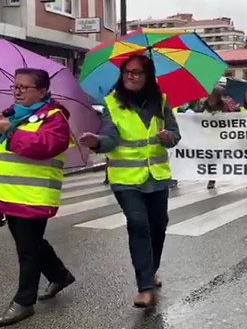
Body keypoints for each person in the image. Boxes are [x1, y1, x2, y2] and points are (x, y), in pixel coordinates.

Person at [79, 55, 181, 308]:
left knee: (159, 225)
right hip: (126, 179)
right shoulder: (113, 103)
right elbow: (110, 138)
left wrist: (167, 137)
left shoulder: (161, 100)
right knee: (138, 225)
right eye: (127, 72)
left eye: (137, 72)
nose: (131, 77)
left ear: (148, 76)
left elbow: (175, 134)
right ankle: (144, 286)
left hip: (156, 176)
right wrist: (97, 142)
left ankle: (151, 270)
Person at [0, 68, 75, 326]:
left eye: (25, 87)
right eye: (15, 86)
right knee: (31, 243)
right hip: (10, 193)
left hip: (33, 195)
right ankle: (60, 274)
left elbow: (44, 146)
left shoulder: (54, 118)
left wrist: (9, 130)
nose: (18, 91)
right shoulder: (15, 114)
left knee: (27, 249)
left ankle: (24, 302)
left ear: (43, 91)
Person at [200, 87, 234, 189]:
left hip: (220, 138)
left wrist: (219, 116)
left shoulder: (223, 106)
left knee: (220, 159)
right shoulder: (205, 106)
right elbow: (198, 117)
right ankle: (212, 179)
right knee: (212, 160)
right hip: (208, 138)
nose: (211, 99)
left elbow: (229, 118)